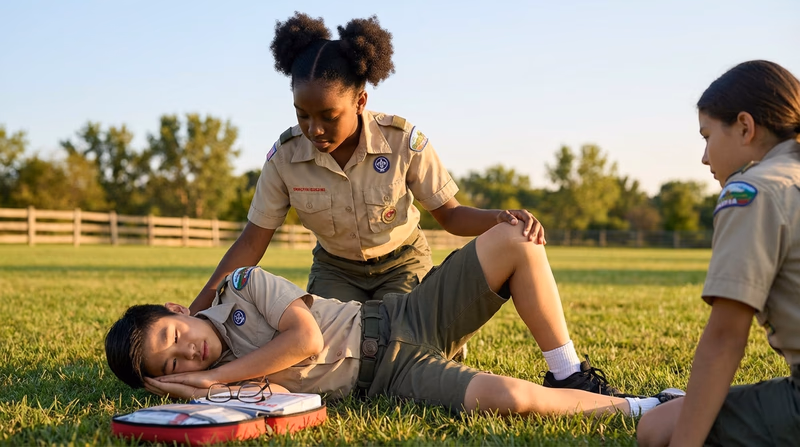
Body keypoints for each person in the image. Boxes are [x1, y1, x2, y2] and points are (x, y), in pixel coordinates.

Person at [106, 223, 682, 418]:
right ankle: (647, 406)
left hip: (404, 311)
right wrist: (204, 388)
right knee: (510, 397)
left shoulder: (239, 287)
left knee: (513, 241)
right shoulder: (222, 393)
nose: (189, 355)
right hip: (394, 375)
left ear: (180, 310)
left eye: (173, 336)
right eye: (173, 365)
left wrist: (213, 379)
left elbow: (304, 337)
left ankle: (567, 370)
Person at [187, 12, 544, 318]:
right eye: (302, 115)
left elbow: (451, 216)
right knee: (329, 348)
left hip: (402, 262)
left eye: (328, 116)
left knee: (407, 341)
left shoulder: (402, 141)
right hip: (336, 270)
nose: (314, 129)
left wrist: (498, 217)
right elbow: (252, 242)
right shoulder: (285, 157)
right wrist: (199, 310)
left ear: (360, 101)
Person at [637, 60, 800, 446]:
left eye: (707, 136)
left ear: (745, 126)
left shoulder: (753, 191)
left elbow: (725, 338)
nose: (705, 157)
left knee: (657, 427)